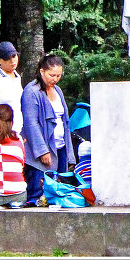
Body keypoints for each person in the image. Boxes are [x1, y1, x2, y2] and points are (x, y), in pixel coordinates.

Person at [20, 54, 76, 207]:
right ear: (42, 71)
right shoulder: (31, 91)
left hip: (60, 147)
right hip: (41, 152)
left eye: (58, 75)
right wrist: (42, 151)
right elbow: (31, 124)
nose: (55, 79)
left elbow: (65, 122)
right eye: (52, 75)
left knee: (57, 192)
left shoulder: (58, 90)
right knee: (38, 194)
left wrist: (70, 154)